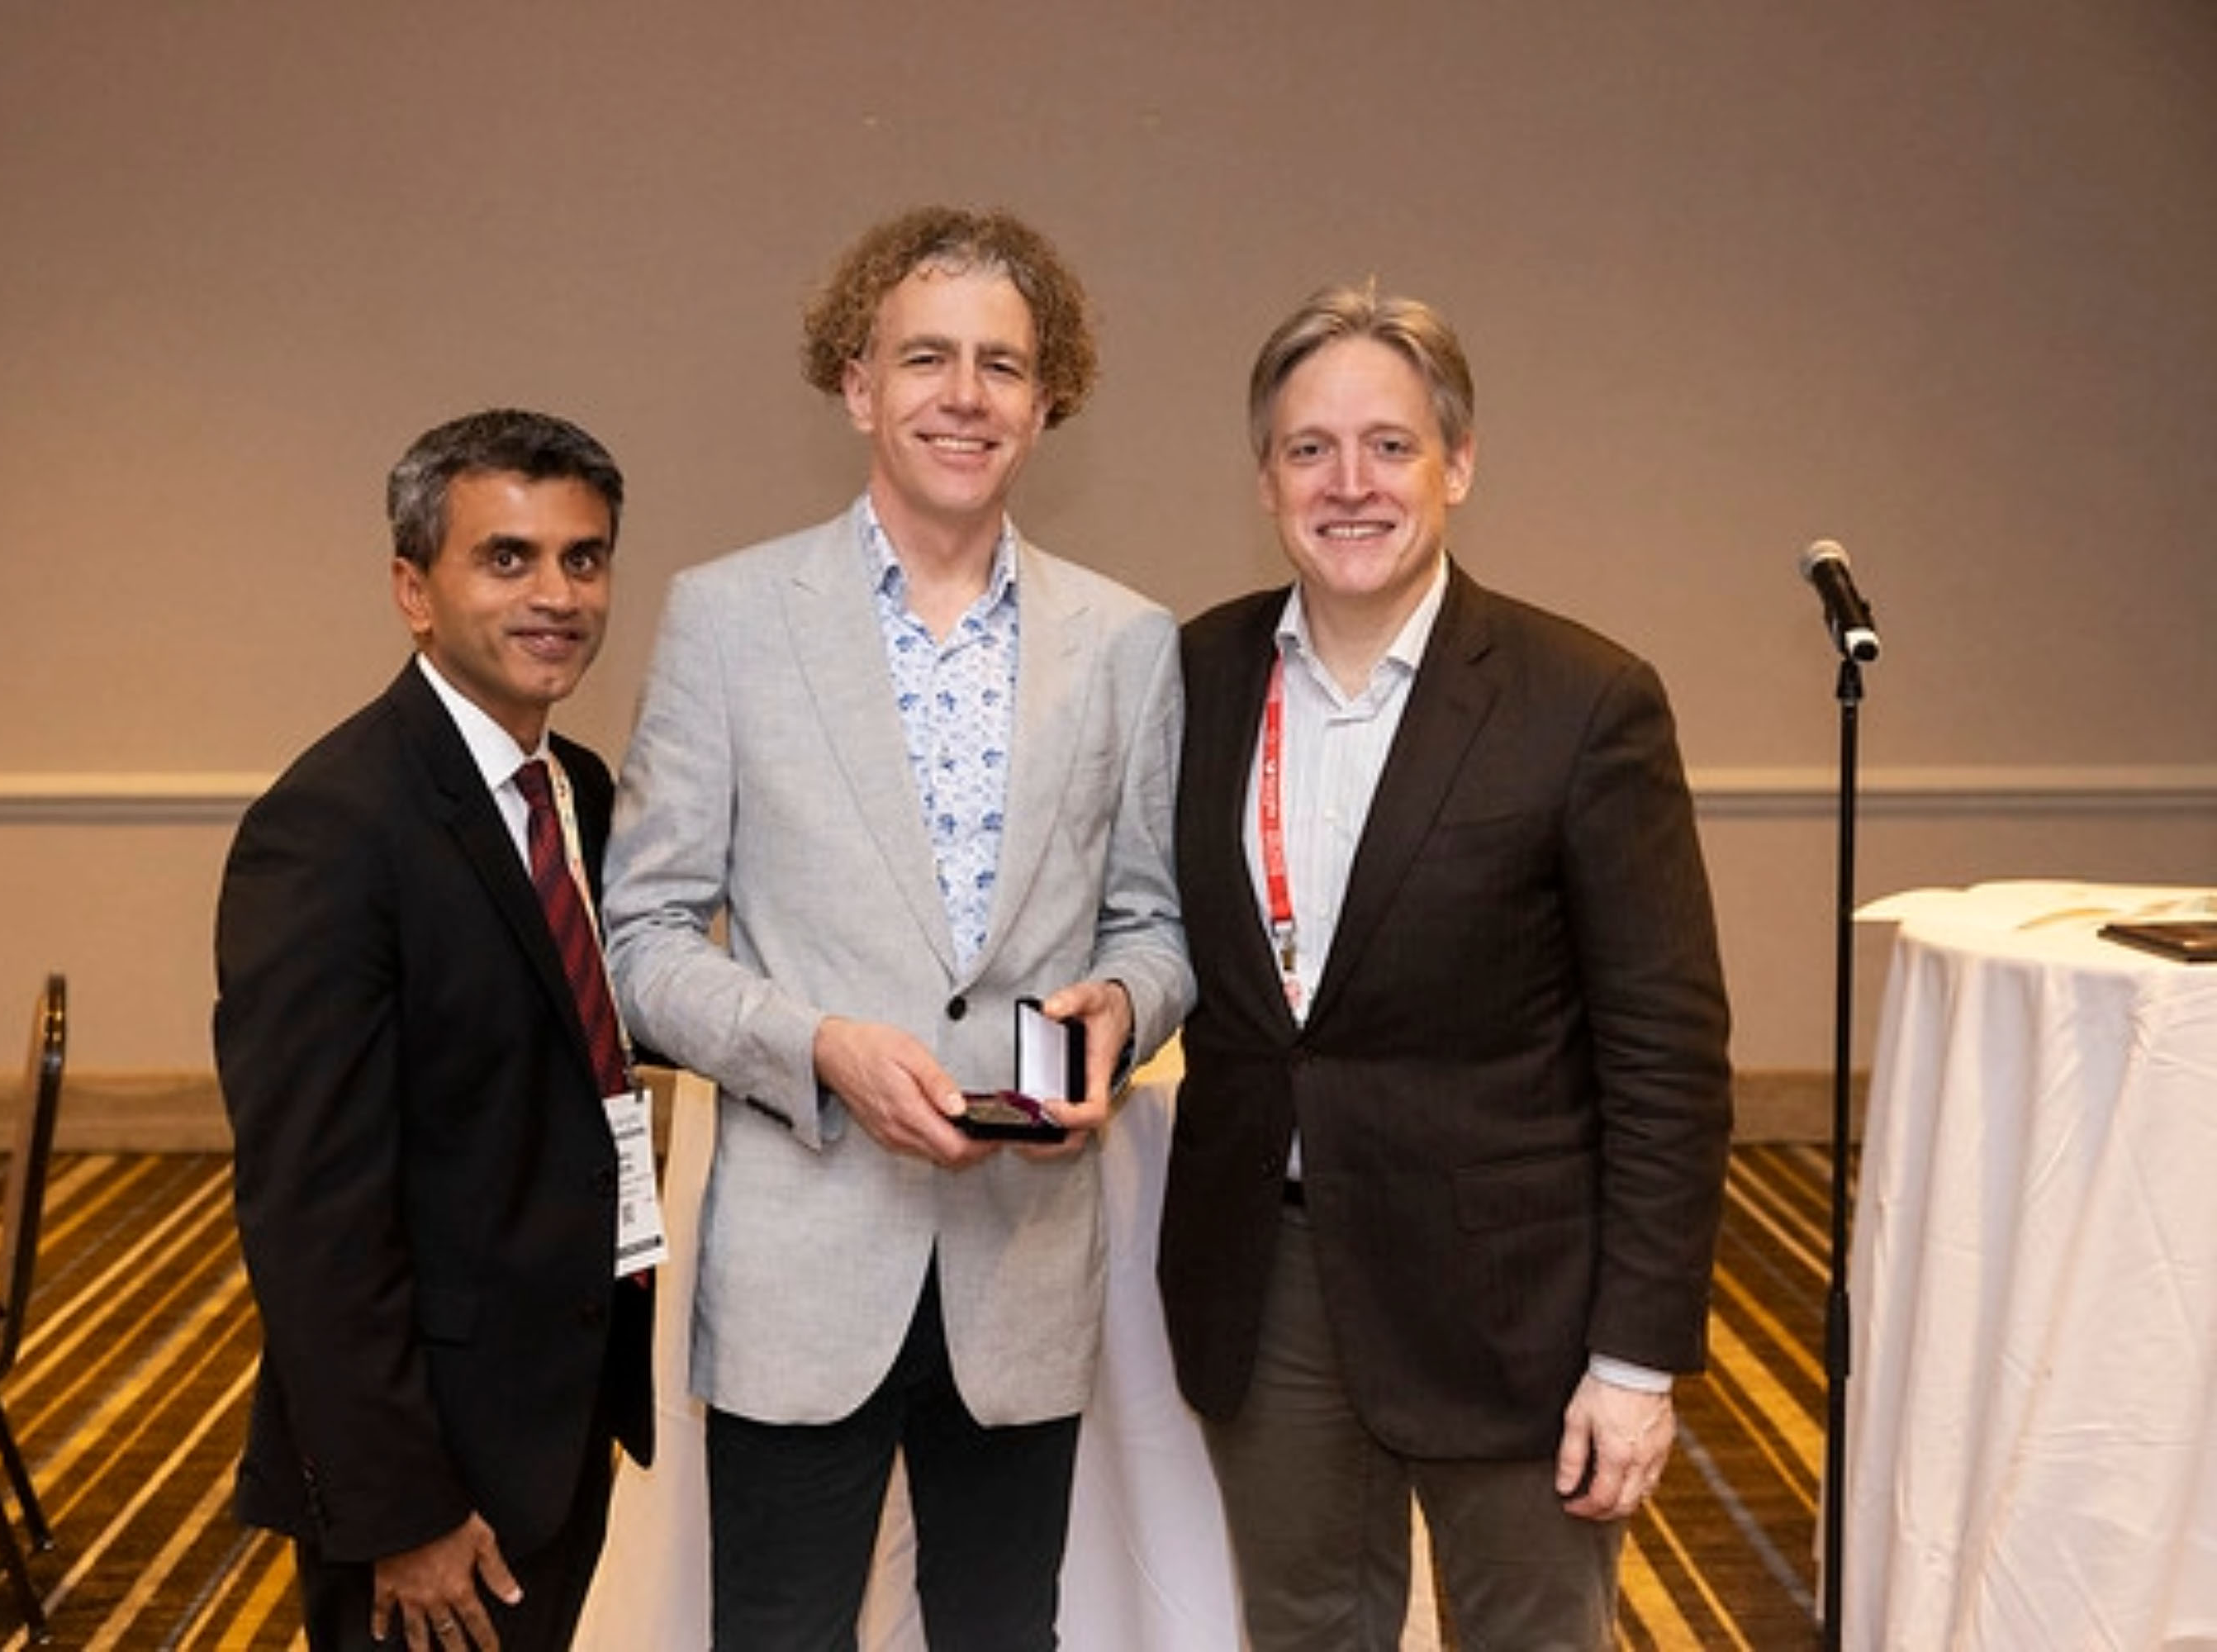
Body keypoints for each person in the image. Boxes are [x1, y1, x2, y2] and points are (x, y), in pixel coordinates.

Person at [602, 206, 1194, 1652]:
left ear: (1046, 403)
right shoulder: (730, 618)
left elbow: (1153, 924)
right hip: (805, 1257)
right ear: (858, 386)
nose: (964, 395)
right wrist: (817, 1048)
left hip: (1021, 1260)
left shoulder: (1127, 641)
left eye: (1003, 364)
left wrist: (1125, 1011)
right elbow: (645, 937)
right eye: (926, 357)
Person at [1157, 285, 1734, 1650]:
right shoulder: (1192, 677)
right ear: (1265, 479)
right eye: (1310, 449)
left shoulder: (1583, 701)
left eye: (1391, 446)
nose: (1349, 485)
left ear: (1458, 465)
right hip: (1272, 1280)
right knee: (1303, 1631)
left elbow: (1666, 1060)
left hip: (1514, 1304)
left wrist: (1636, 1360)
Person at [215, 409, 654, 1652]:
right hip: (431, 1460)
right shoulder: (333, 828)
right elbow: (311, 1212)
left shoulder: (574, 788)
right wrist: (400, 1505)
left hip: (558, 1404)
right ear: (413, 590)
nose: (556, 595)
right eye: (507, 559)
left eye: (582, 557)